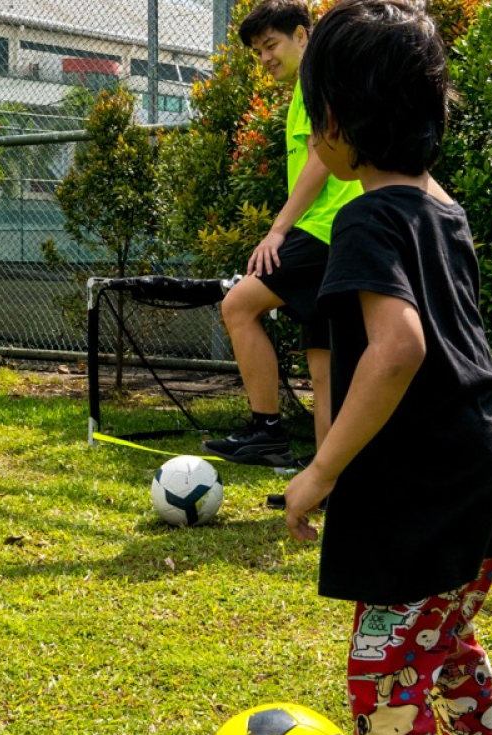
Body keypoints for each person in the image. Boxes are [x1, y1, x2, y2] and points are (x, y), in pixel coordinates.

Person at [281, 2, 492, 735]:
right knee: (449, 643)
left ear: (337, 129)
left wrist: (320, 469)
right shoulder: (443, 207)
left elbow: (399, 348)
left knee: (383, 678)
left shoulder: (365, 218)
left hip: (426, 484)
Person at [202, 0, 362, 467]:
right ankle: (331, 477)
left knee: (238, 305)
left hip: (327, 229)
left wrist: (277, 230)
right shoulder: (308, 87)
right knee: (323, 361)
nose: (265, 58)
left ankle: (267, 431)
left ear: (302, 36)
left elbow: (320, 158)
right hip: (337, 231)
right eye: (257, 52)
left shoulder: (317, 81)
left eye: (271, 45)